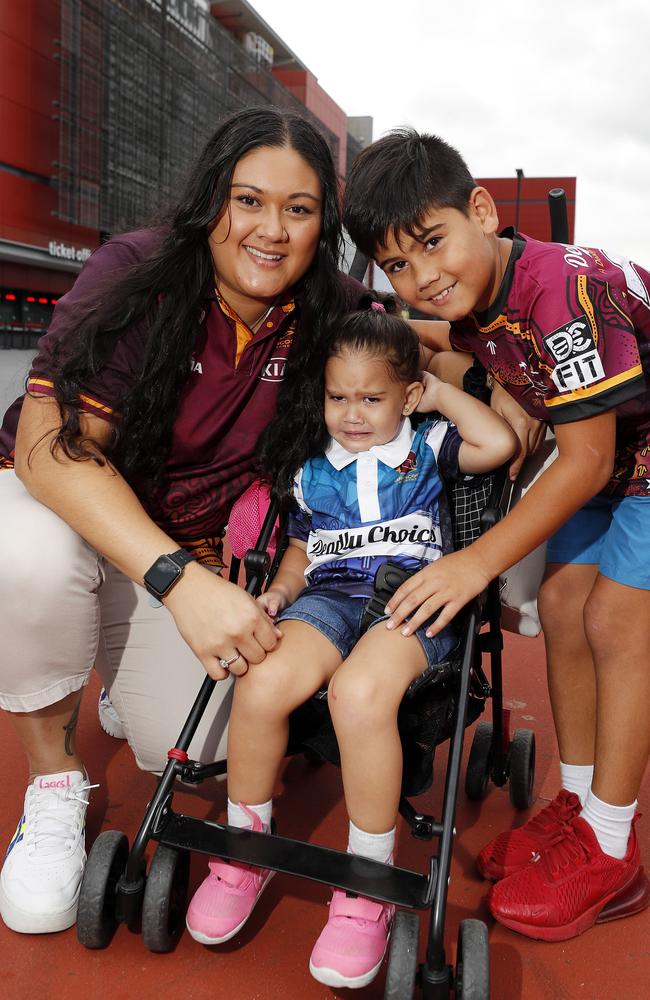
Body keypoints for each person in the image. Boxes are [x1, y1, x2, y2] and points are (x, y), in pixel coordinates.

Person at [0, 106, 365, 936]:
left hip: (181, 553)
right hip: (80, 519)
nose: (271, 230)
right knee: (22, 551)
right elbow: (46, 450)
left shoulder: (329, 307)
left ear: (322, 225)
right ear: (212, 202)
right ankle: (54, 785)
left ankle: (114, 664)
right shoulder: (138, 272)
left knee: (211, 750)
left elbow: (437, 345)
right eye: (249, 201)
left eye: (299, 209)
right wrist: (178, 581)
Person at [342, 128, 650, 942]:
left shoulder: (562, 287)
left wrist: (475, 560)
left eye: (433, 243)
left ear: (482, 210)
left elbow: (583, 461)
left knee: (617, 619)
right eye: (398, 266)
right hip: (620, 451)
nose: (423, 277)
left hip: (620, 453)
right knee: (560, 601)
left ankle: (614, 849)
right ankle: (580, 806)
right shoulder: (475, 300)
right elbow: (434, 335)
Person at [184, 302, 515, 988]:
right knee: (264, 682)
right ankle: (244, 853)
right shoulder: (314, 468)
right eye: (339, 397)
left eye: (372, 398)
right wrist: (277, 593)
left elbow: (499, 446)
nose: (354, 412)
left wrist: (438, 390)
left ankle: (367, 885)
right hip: (327, 598)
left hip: (410, 600)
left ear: (407, 396)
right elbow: (303, 549)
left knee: (360, 693)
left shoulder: (426, 445)